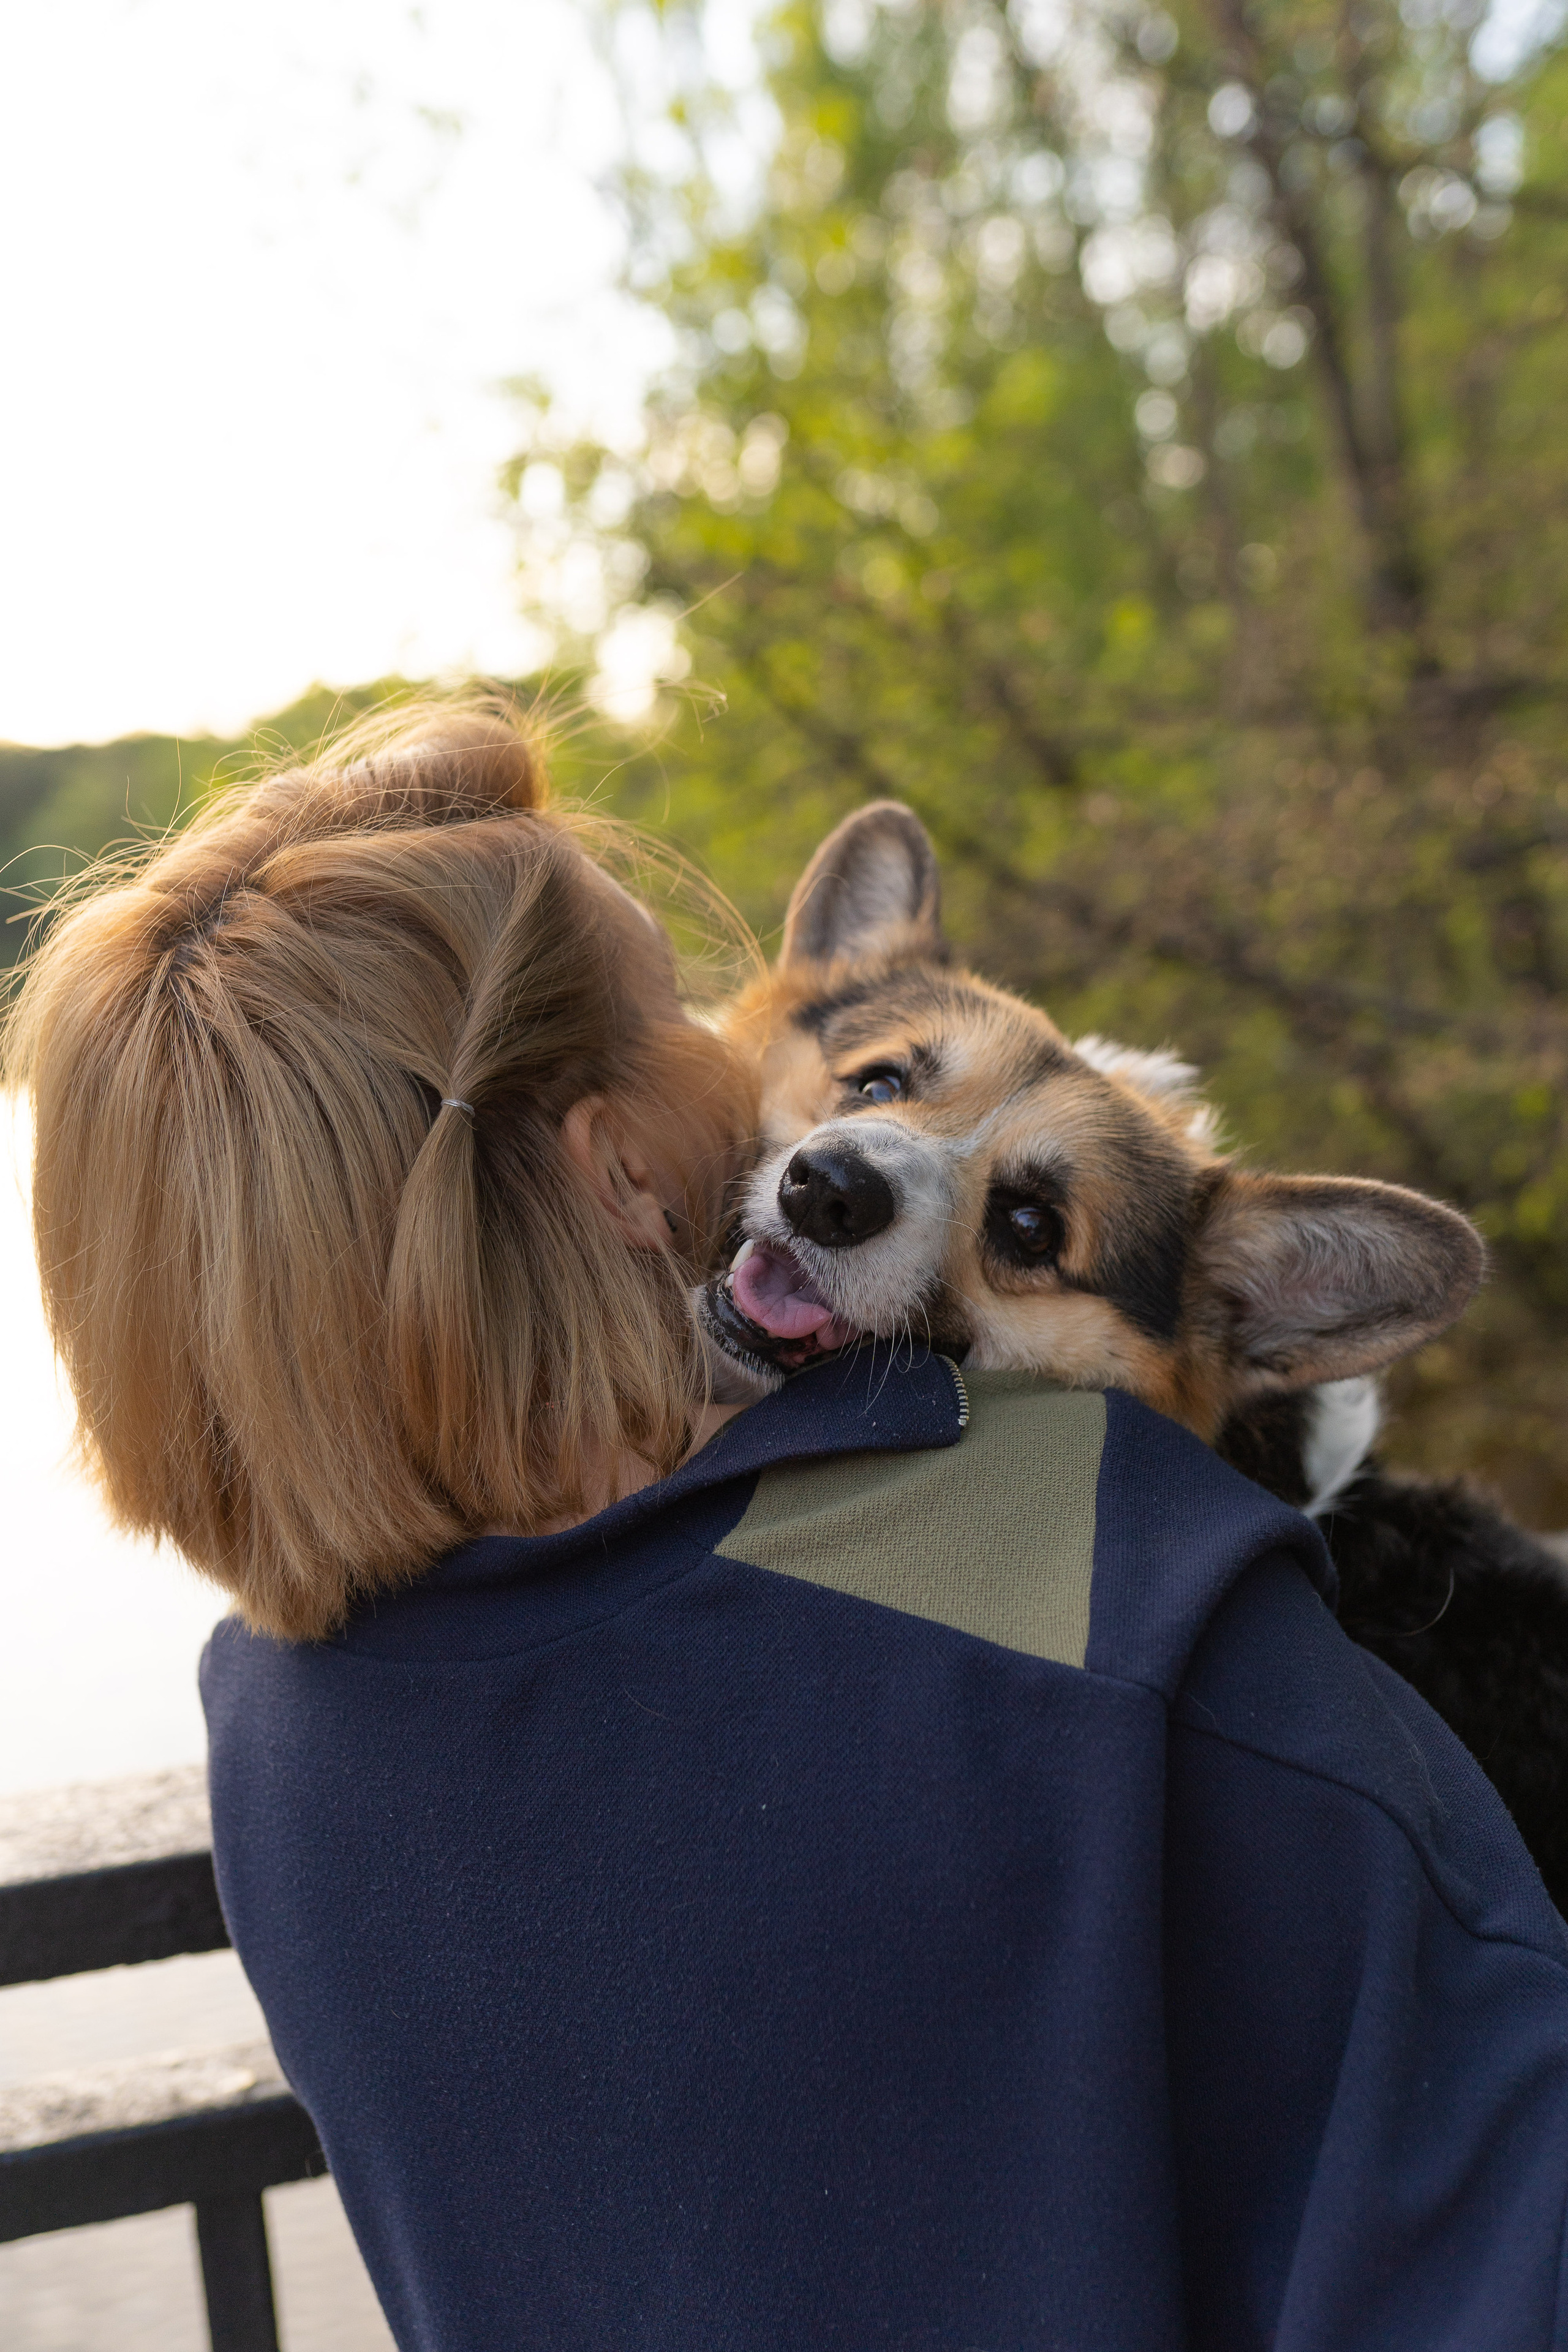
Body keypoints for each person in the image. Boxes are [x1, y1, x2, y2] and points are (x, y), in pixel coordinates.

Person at [9, 705, 1568, 2352]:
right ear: (620, 1177)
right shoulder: (1117, 1597)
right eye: (678, 1007)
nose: (771, 1067)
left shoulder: (277, 1724)